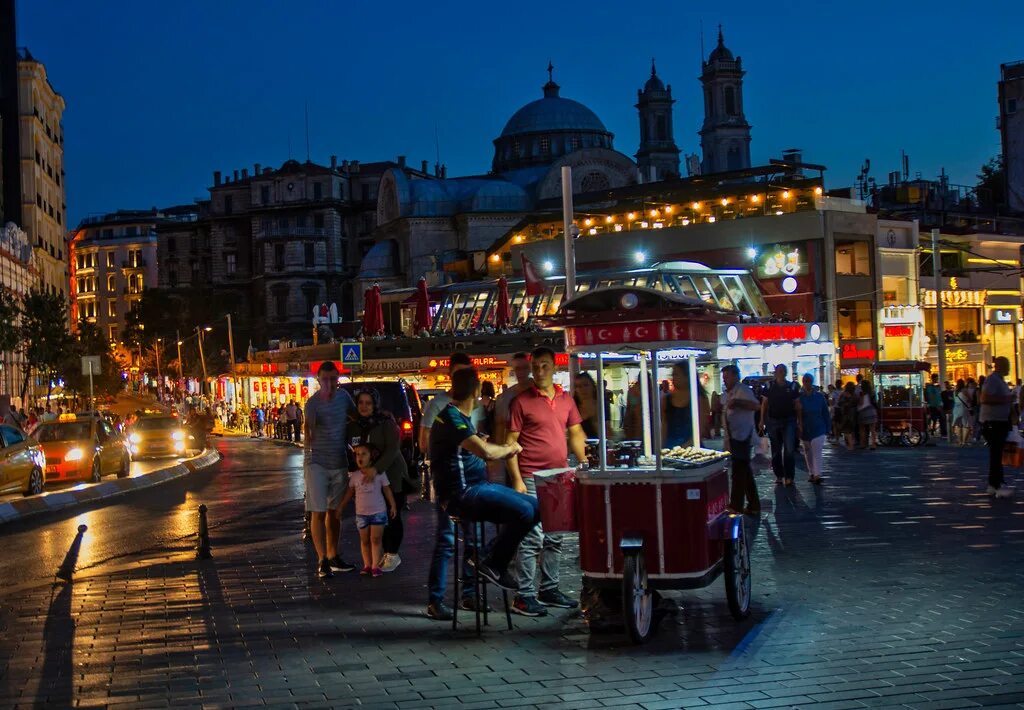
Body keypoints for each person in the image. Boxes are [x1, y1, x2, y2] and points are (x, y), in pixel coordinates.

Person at [431, 367, 537, 592]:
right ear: (476, 391)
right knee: (525, 511)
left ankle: (490, 559)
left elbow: (478, 445)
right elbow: (485, 452)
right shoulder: (451, 418)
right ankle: (492, 561)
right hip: (463, 494)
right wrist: (509, 449)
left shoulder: (460, 418)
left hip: (475, 488)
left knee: (536, 507)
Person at [506, 346, 586, 616]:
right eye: (536, 366)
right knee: (532, 538)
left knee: (555, 537)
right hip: (531, 477)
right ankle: (524, 594)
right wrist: (516, 479)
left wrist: (585, 463)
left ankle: (549, 588)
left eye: (545, 366)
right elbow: (510, 444)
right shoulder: (521, 402)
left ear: (554, 368)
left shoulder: (566, 400)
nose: (540, 371)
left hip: (559, 476)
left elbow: (575, 433)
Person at [422, 352, 478, 621]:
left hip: (473, 482)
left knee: (474, 538)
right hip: (449, 482)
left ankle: (469, 594)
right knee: (446, 540)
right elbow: (426, 443)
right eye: (460, 374)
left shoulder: (476, 404)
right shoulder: (439, 407)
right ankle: (436, 600)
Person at [303, 361, 357, 578]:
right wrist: (311, 429)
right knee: (318, 511)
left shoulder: (344, 398)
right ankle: (322, 559)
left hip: (339, 460)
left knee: (335, 512)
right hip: (317, 461)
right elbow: (308, 431)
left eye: (334, 379)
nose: (330, 383)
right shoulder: (312, 403)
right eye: (325, 379)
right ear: (318, 380)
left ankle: (334, 555)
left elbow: (355, 417)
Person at [350, 387, 412, 573]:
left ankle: (392, 554)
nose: (364, 406)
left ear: (375, 404)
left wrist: (376, 469)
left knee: (392, 515)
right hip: (369, 481)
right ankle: (384, 554)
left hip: (391, 475)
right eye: (361, 402)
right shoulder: (355, 425)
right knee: (378, 517)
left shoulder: (386, 423)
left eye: (368, 403)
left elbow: (393, 449)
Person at [337, 443, 398, 576]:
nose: (360, 457)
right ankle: (367, 565)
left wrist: (392, 505)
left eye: (364, 454)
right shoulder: (355, 476)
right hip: (361, 514)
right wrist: (341, 506)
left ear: (371, 457)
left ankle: (375, 566)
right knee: (364, 540)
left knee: (375, 539)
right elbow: (349, 492)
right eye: (357, 454)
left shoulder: (379, 473)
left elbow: (387, 489)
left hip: (378, 512)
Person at [722, 365, 760, 515]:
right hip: (733, 437)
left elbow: (755, 406)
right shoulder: (728, 393)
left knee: (738, 472)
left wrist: (738, 403)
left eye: (727, 377)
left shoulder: (743, 390)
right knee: (745, 472)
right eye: (724, 378)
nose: (725, 380)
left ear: (735, 376)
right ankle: (754, 505)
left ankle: (736, 505)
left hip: (743, 437)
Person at [490, 352, 533, 484]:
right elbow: (499, 426)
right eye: (517, 369)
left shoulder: (539, 392)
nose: (521, 373)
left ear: (530, 368)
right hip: (513, 454)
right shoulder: (504, 398)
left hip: (533, 452)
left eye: (524, 368)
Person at [759, 364, 802, 486]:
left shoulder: (793, 386)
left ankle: (789, 476)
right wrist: (761, 420)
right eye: (779, 371)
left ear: (785, 372)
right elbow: (764, 404)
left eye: (783, 371)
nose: (781, 373)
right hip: (773, 421)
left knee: (789, 449)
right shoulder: (769, 386)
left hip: (789, 420)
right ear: (775, 373)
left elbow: (798, 405)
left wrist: (800, 422)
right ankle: (779, 474)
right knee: (776, 450)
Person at [981, 356, 1015, 498]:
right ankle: (997, 485)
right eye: (1006, 365)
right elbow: (985, 398)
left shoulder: (999, 380)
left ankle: (993, 485)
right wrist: (1006, 399)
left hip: (999, 421)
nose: (1009, 368)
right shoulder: (993, 380)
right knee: (996, 454)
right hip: (993, 423)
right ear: (999, 366)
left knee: (997, 454)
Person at [661, 362, 710, 448]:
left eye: (676, 374)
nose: (673, 378)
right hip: (670, 446)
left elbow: (701, 428)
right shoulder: (666, 400)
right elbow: (664, 426)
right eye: (673, 375)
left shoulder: (699, 399)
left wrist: (686, 446)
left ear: (687, 377)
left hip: (692, 447)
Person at [798, 373, 831, 484]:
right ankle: (812, 472)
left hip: (818, 427)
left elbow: (825, 412)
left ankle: (817, 473)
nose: (807, 383)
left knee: (817, 451)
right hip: (805, 428)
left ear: (811, 382)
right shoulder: (799, 398)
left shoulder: (819, 397)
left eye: (808, 381)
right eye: (805, 381)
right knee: (808, 452)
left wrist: (828, 427)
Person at [573, 371, 605, 439]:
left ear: (592, 386)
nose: (582, 389)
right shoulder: (573, 407)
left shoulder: (601, 405)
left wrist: (594, 418)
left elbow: (607, 433)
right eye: (578, 386)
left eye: (586, 385)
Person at [857, 378, 879, 449]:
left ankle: (863, 444)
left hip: (864, 412)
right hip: (872, 411)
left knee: (862, 428)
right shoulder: (872, 393)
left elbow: (861, 403)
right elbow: (875, 402)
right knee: (872, 429)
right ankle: (873, 444)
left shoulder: (861, 393)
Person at [837, 382, 859, 451]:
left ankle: (850, 445)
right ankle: (851, 444)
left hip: (845, 413)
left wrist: (844, 404)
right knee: (851, 430)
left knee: (846, 430)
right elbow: (856, 402)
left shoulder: (843, 394)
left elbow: (839, 403)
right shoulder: (854, 395)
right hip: (853, 413)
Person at [953, 379, 974, 446]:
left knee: (959, 425)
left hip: (956, 409)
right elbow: (970, 399)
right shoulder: (964, 390)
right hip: (964, 408)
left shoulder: (955, 391)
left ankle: (960, 441)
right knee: (966, 425)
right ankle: (964, 441)